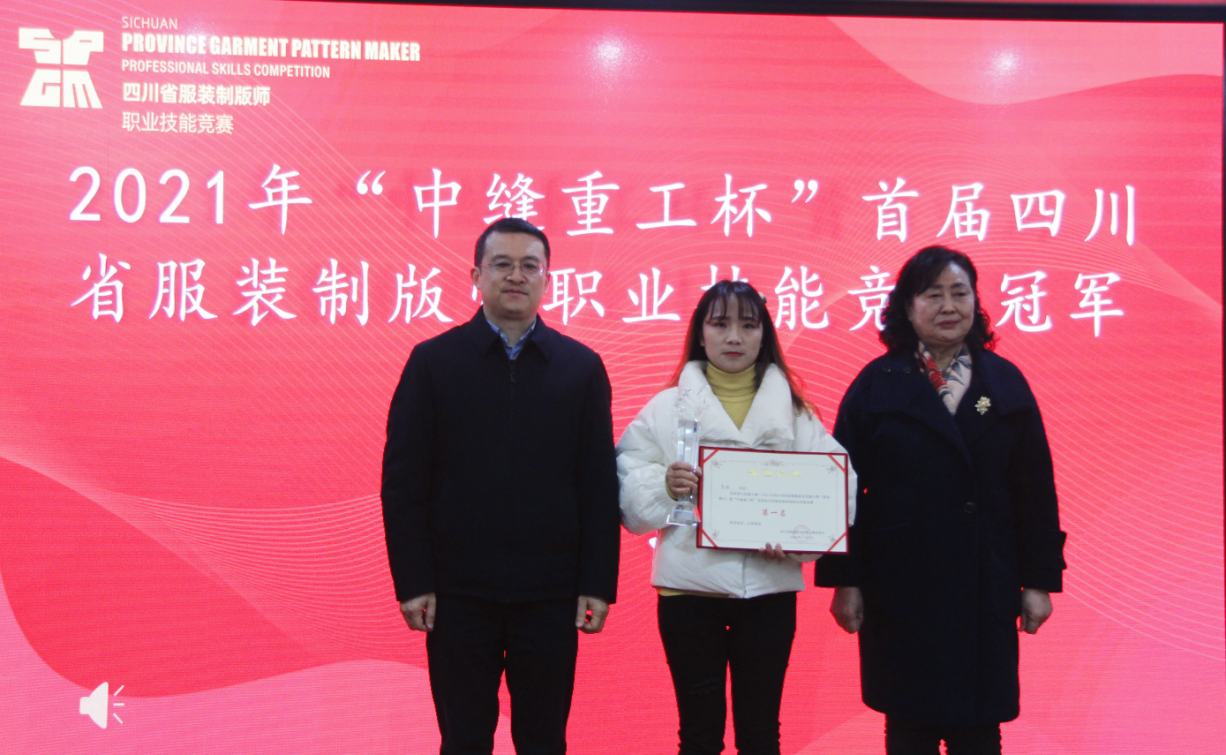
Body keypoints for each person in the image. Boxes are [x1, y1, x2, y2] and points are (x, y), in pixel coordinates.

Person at [381, 217, 621, 755]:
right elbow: (403, 483)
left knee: (543, 740)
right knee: (464, 740)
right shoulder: (433, 362)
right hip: (458, 594)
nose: (517, 276)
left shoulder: (580, 368)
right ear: (476, 275)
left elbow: (598, 485)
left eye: (529, 266)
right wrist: (413, 580)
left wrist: (596, 583)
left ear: (547, 279)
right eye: (503, 264)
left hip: (551, 594)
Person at [815, 246, 1067, 755]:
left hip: (985, 579)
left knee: (980, 730)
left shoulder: (1005, 382)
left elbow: (1035, 491)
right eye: (933, 295)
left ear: (976, 302)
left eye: (960, 293)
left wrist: (1040, 581)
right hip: (900, 584)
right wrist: (844, 580)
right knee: (909, 728)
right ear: (907, 308)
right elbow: (838, 491)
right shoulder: (876, 384)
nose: (949, 306)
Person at [618, 280, 855, 755]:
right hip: (688, 593)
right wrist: (665, 485)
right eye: (720, 323)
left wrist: (797, 539)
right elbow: (625, 487)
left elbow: (838, 487)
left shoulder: (796, 412)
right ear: (700, 334)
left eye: (748, 325)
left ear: (764, 336)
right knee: (699, 735)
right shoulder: (665, 408)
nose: (733, 337)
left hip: (768, 592)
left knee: (761, 734)